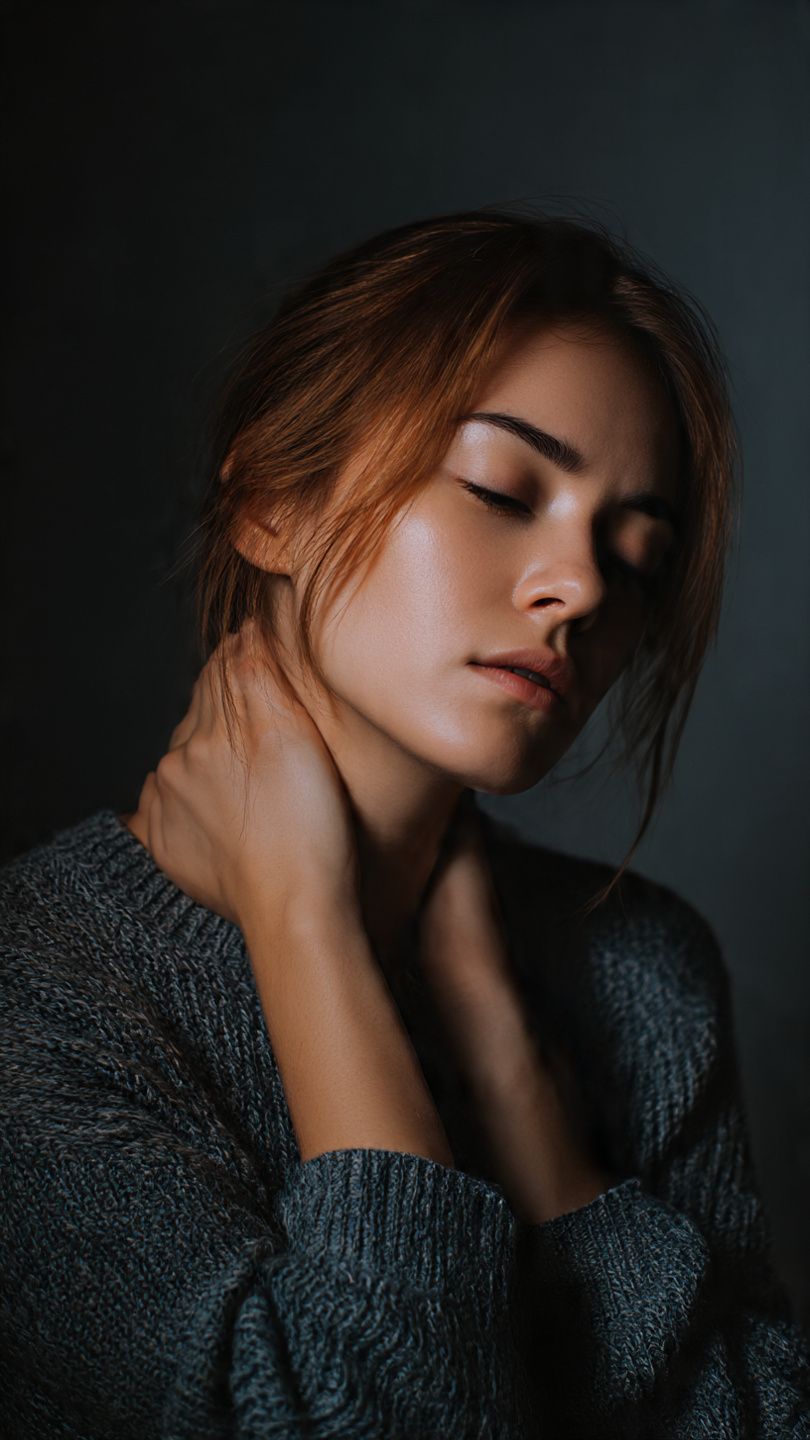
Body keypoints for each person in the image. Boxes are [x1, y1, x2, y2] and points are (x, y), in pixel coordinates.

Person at [1, 207, 808, 1438]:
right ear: (271, 501)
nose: (581, 586)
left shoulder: (643, 973)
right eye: (499, 488)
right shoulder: (39, 991)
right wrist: (303, 921)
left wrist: (513, 1071)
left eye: (633, 557)